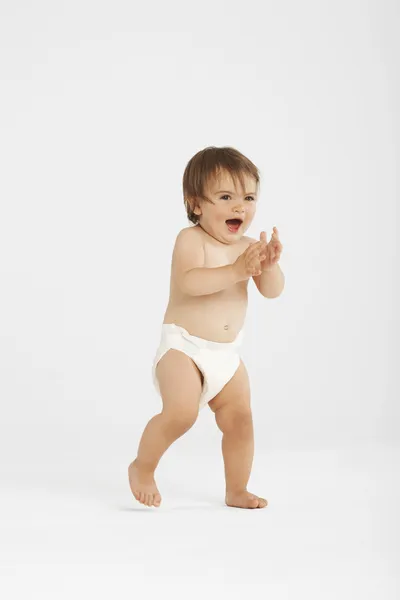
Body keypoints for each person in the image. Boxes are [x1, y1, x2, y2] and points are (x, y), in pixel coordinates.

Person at [128, 146, 284, 509]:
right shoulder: (191, 239)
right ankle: (142, 466)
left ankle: (236, 489)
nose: (238, 207)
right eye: (226, 197)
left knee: (241, 421)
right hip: (184, 348)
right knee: (181, 413)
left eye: (248, 197)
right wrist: (236, 271)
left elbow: (272, 292)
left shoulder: (249, 248)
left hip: (226, 356)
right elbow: (190, 283)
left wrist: (270, 265)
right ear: (196, 205)